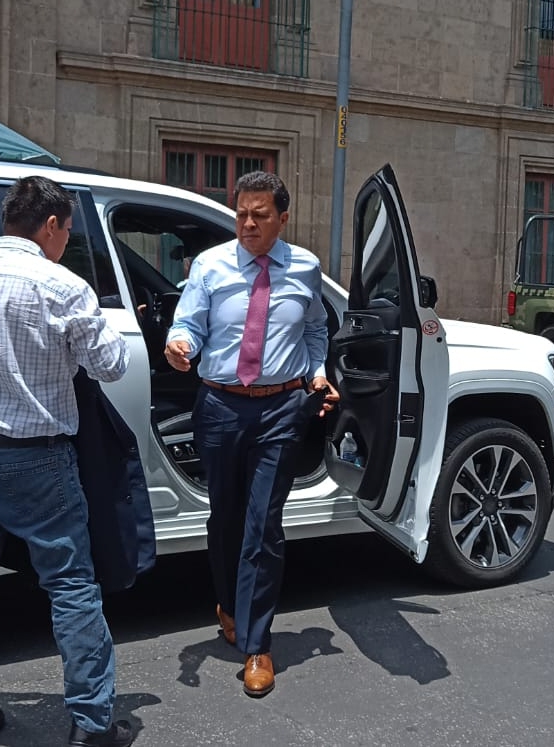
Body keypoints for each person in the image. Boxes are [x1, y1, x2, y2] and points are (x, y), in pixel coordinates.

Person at [0, 175, 136, 747]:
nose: (66, 240)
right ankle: (93, 726)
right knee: (71, 588)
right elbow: (111, 365)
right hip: (37, 459)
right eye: (67, 230)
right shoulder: (63, 287)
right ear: (50, 225)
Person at [164, 170, 339, 697]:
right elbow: (188, 323)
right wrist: (180, 345)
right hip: (219, 405)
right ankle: (227, 602)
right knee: (227, 518)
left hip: (281, 408)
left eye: (260, 215)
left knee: (264, 524)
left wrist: (318, 371)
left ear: (282, 219)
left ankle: (258, 644)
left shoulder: (304, 267)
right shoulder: (211, 266)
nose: (248, 223)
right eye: (241, 213)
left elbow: (314, 328)